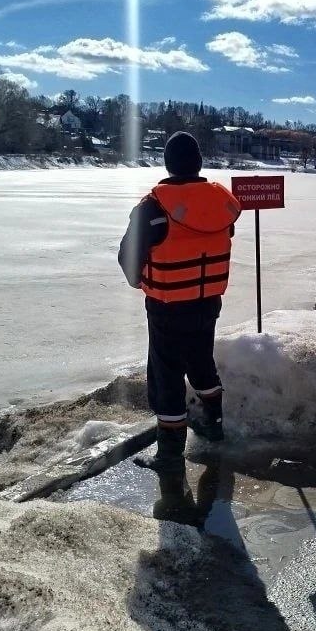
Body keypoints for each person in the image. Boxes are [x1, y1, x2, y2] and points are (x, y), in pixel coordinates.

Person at [118, 132, 242, 472]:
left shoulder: (153, 208)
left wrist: (141, 282)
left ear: (168, 164)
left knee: (166, 375)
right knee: (201, 360)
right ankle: (212, 424)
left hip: (167, 305)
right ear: (199, 162)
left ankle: (170, 455)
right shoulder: (220, 207)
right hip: (207, 301)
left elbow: (128, 258)